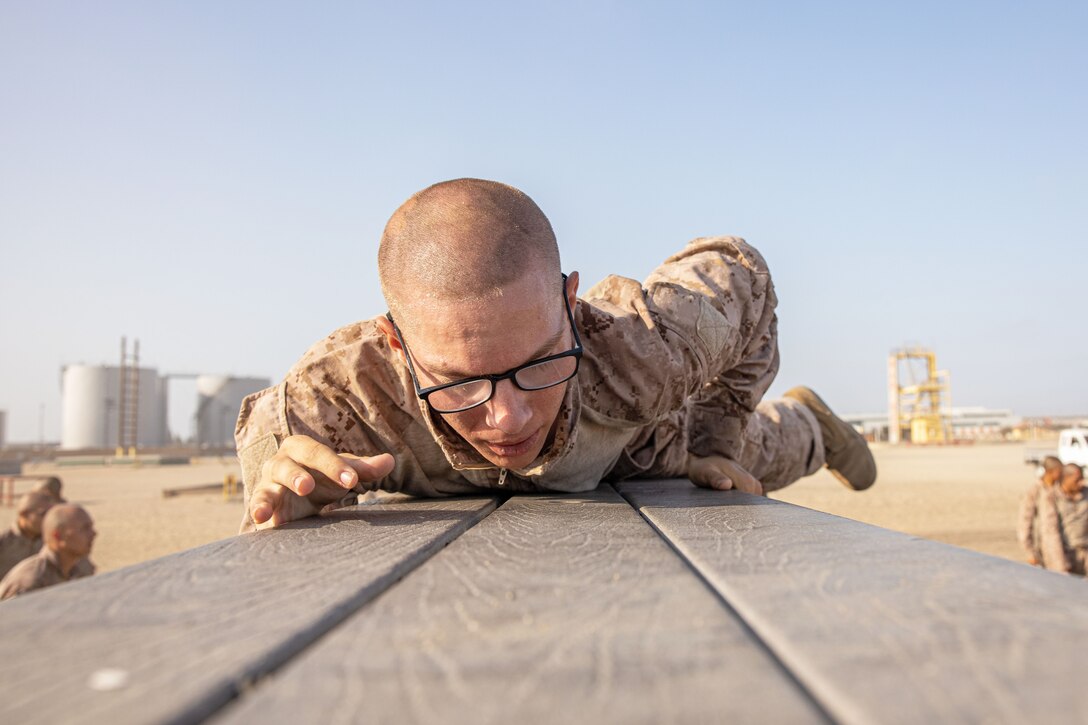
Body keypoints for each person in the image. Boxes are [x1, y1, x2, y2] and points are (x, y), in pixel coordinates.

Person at [235, 178, 876, 532]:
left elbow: (744, 272)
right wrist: (283, 510)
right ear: (397, 343)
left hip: (638, 446)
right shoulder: (333, 400)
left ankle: (813, 424)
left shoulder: (645, 347)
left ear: (570, 304)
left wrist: (718, 439)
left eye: (538, 363)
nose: (509, 418)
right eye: (461, 384)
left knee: (754, 457)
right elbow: (268, 491)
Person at [0, 504, 96, 600]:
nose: (94, 533)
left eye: (91, 527)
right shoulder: (31, 581)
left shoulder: (81, 569)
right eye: (84, 528)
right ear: (58, 536)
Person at [1039, 464, 1088, 575]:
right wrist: (1060, 565)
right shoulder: (1051, 497)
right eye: (1077, 480)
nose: (1081, 483)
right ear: (1066, 478)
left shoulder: (1086, 494)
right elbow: (1051, 532)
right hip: (1064, 554)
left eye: (1082, 479)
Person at [1017, 455, 1064, 566]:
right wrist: (1030, 552)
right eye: (1059, 471)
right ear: (1050, 471)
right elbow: (1025, 523)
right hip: (1048, 548)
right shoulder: (1035, 491)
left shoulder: (1061, 489)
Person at [0, 491, 55, 579]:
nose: (48, 519)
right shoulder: (4, 543)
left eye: (51, 514)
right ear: (24, 514)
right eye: (43, 514)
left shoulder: (55, 541)